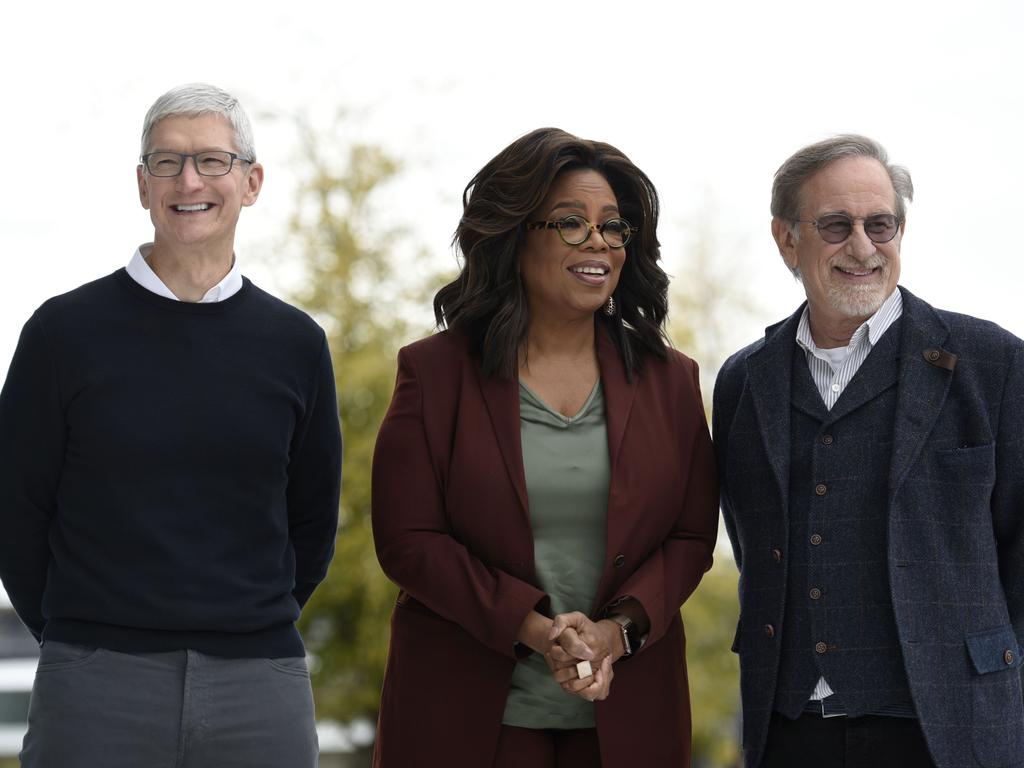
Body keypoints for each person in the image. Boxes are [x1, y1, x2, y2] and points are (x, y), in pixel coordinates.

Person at [0, 83, 342, 767]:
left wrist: (242, 625)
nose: (190, 180)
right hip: (96, 684)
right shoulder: (63, 333)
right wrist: (83, 638)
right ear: (141, 184)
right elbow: (15, 513)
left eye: (213, 161)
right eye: (167, 163)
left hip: (258, 686)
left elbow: (311, 523)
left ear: (251, 182)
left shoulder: (296, 343)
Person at [370, 127, 719, 768]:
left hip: (629, 718)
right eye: (570, 223)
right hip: (465, 720)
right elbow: (408, 540)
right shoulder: (435, 372)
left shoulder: (673, 381)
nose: (598, 243)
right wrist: (537, 631)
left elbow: (691, 538)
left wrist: (616, 634)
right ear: (515, 236)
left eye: (614, 227)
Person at [714, 134, 1024, 768]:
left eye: (880, 224)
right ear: (786, 238)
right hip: (790, 730)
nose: (862, 246)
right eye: (834, 225)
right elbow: (752, 546)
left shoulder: (995, 364)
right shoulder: (744, 380)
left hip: (951, 732)